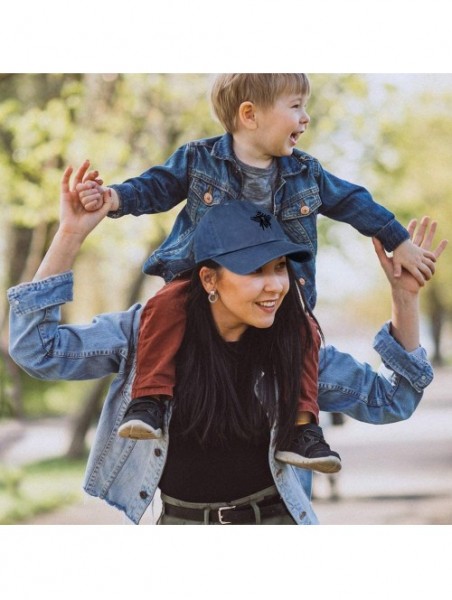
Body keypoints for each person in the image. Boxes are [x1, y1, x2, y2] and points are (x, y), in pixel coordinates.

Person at [7, 163, 446, 525]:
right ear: (209, 278)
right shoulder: (147, 334)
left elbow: (394, 399)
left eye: (280, 267)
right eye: (255, 270)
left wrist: (403, 299)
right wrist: (69, 236)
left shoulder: (294, 347)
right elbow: (37, 350)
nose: (275, 285)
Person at [75, 74, 436, 474]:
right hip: (200, 282)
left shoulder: (307, 174)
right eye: (295, 106)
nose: (306, 117)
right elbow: (157, 186)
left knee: (304, 333)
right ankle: (150, 400)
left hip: (277, 293)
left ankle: (301, 429)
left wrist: (396, 239)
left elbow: (353, 201)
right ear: (250, 114)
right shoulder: (199, 159)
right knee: (163, 307)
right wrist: (114, 198)